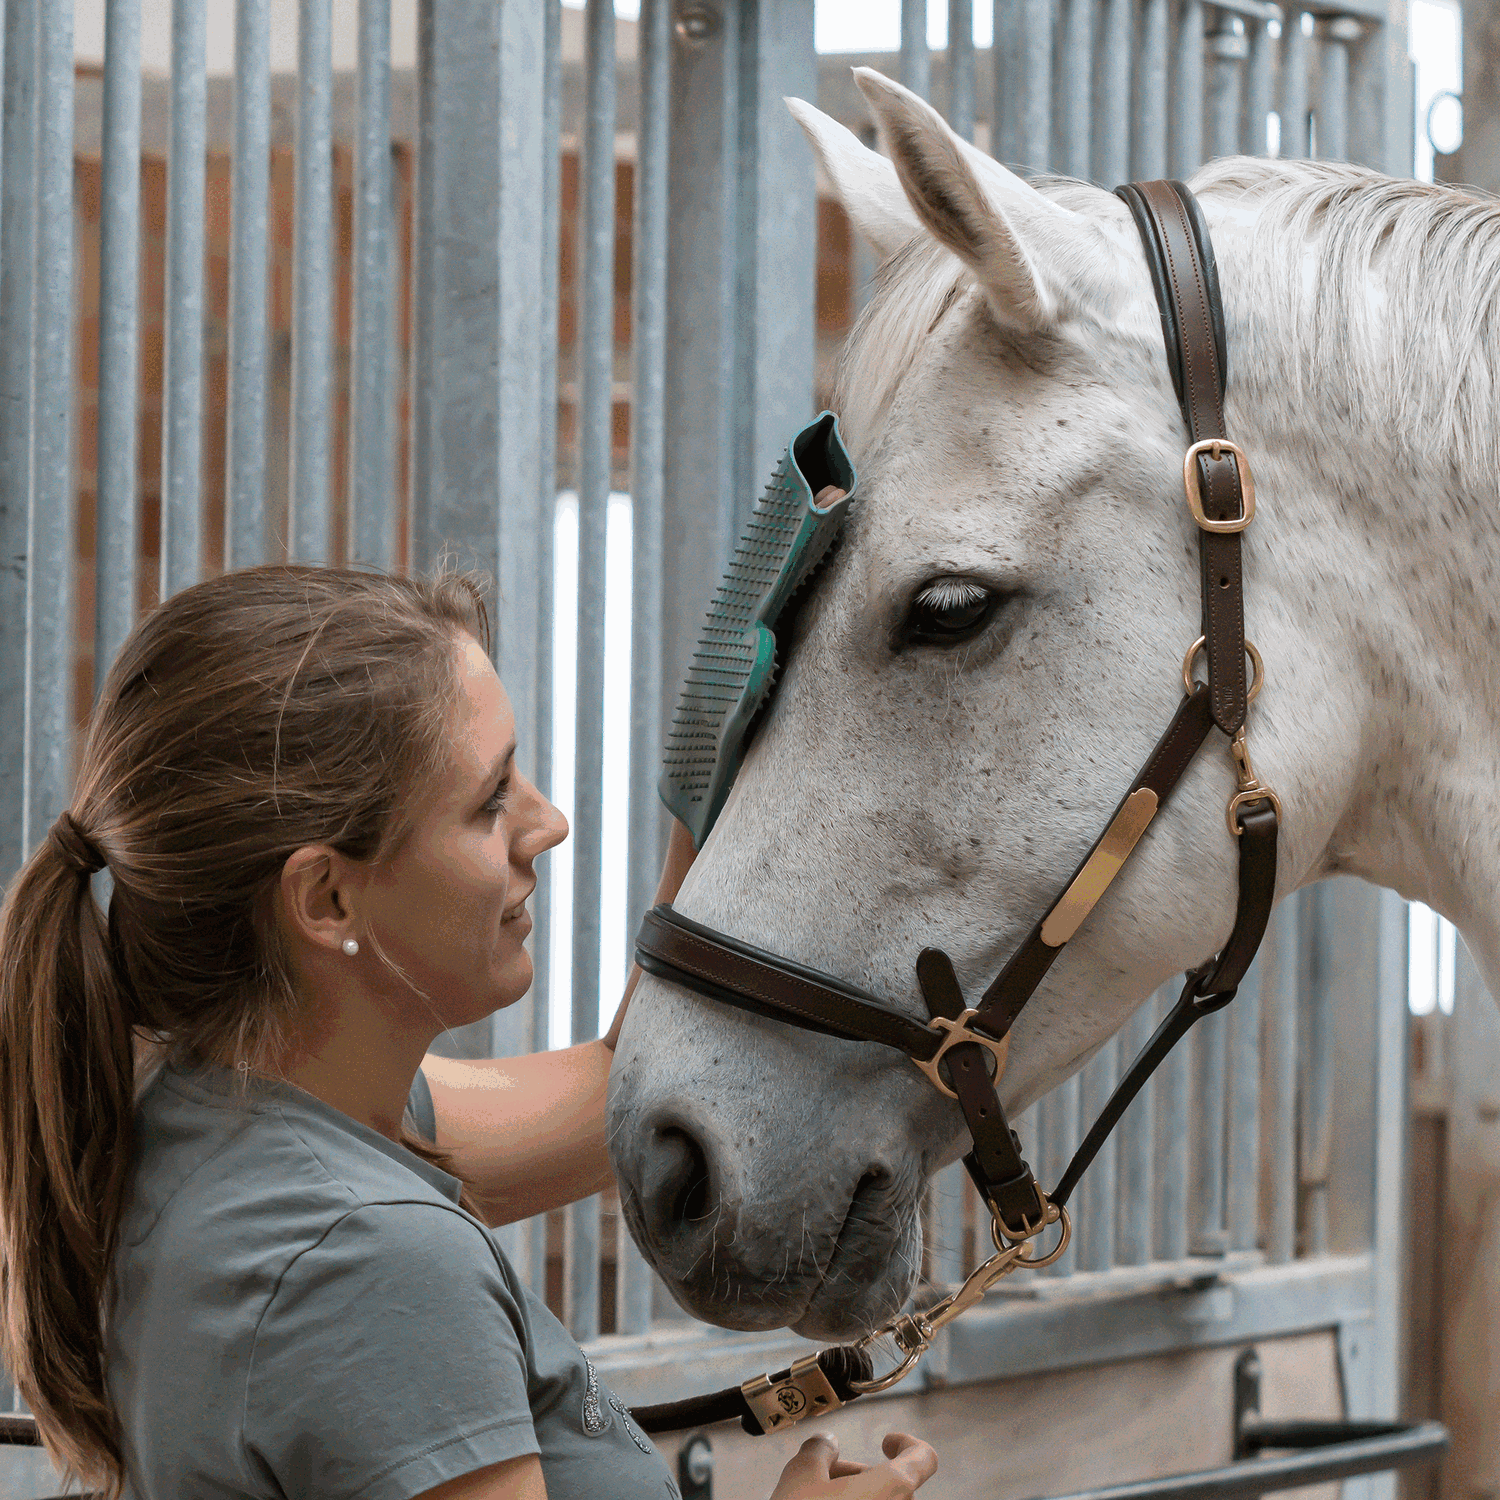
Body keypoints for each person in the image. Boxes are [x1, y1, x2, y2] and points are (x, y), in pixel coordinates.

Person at [0, 565, 938, 1500]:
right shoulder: (370, 1261)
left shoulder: (204, 1111)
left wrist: (707, 796)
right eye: (490, 801)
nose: (547, 823)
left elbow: (616, 1088)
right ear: (326, 898)